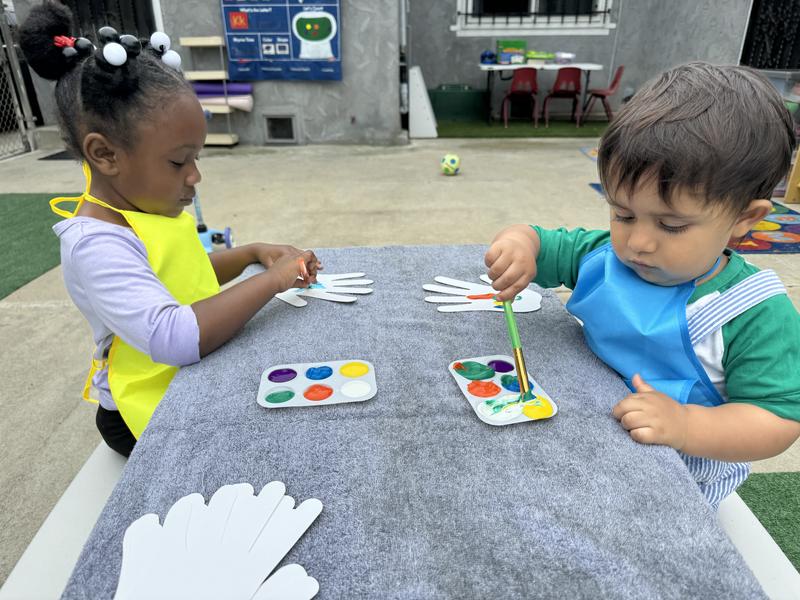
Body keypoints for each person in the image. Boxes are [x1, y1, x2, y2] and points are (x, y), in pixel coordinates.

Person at [485, 62, 800, 508]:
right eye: (623, 214)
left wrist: (688, 426)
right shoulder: (602, 257)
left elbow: (777, 419)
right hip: (580, 439)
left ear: (744, 220)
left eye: (671, 225)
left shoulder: (754, 314)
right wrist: (518, 245)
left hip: (675, 478)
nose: (638, 242)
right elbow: (539, 241)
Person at [19, 2, 320, 457]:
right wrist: (273, 281)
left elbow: (184, 278)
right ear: (105, 155)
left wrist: (250, 253)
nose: (194, 176)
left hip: (189, 375)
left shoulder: (148, 209)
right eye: (179, 161)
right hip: (142, 408)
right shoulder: (96, 244)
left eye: (196, 158)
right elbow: (173, 335)